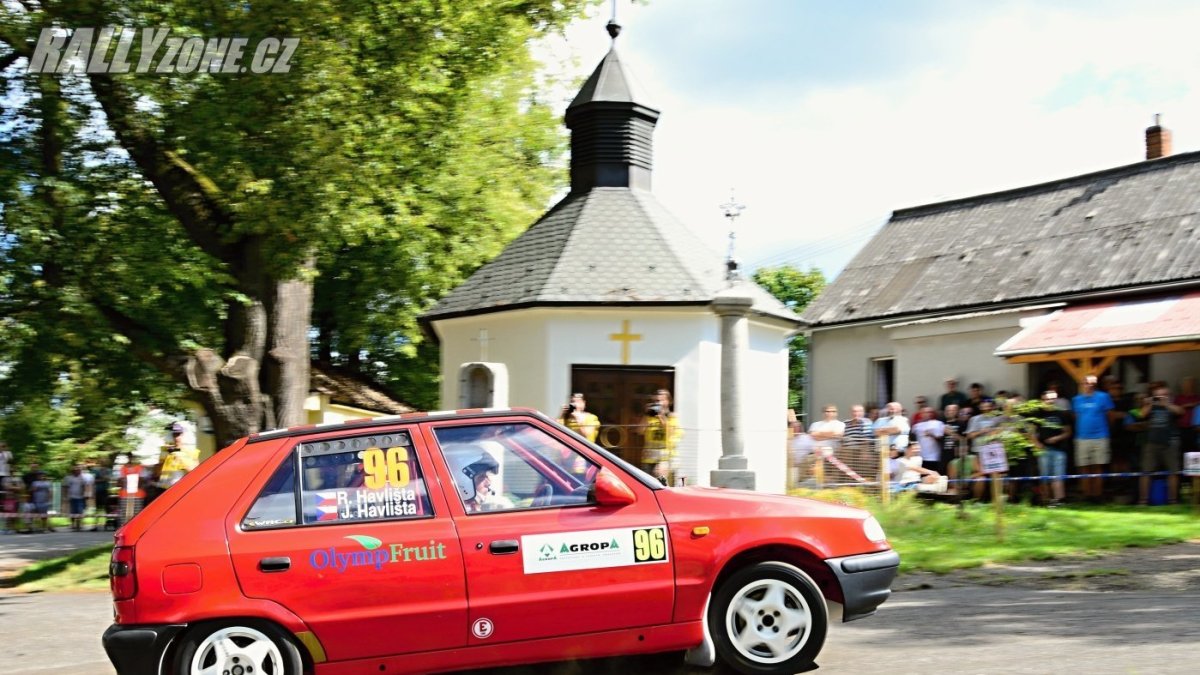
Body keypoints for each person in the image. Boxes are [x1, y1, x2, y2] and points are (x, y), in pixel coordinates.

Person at [1138, 385, 1183, 505]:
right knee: (1146, 471)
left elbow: (1181, 411)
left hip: (1170, 442)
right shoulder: (1151, 406)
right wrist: (1150, 403)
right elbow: (1141, 414)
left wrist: (1166, 404)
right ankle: (1143, 501)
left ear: (1169, 396)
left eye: (1164, 395)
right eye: (1158, 395)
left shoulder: (1172, 406)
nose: (1161, 397)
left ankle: (1173, 501)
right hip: (1152, 442)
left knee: (1173, 472)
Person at [1073, 375, 1114, 501]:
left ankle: (1097, 495)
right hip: (1082, 437)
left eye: (1091, 383)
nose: (1089, 385)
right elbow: (1076, 417)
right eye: (1086, 383)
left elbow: (1110, 416)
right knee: (1084, 467)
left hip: (1100, 437)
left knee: (1098, 467)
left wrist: (1105, 430)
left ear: (1095, 384)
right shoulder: (1076, 399)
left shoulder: (1103, 396)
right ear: (1082, 384)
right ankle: (1087, 495)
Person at [1034, 391, 1072, 507]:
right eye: (1047, 399)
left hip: (1059, 450)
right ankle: (1046, 501)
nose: (1050, 401)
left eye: (1052, 399)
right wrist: (1037, 444)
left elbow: (1068, 432)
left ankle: (1059, 501)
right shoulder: (1038, 415)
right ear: (1042, 400)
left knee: (1058, 476)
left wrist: (1057, 438)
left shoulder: (1062, 414)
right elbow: (1030, 432)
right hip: (1043, 450)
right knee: (1044, 477)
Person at [641, 389, 682, 485]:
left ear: (668, 401)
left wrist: (661, 417)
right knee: (646, 484)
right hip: (649, 457)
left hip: (665, 458)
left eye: (661, 400)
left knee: (660, 480)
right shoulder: (650, 417)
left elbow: (670, 432)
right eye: (656, 401)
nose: (658, 403)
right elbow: (640, 430)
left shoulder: (672, 417)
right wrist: (646, 415)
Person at [912, 406, 945, 475]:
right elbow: (913, 440)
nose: (927, 414)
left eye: (929, 412)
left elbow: (941, 439)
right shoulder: (916, 426)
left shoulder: (938, 423)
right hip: (920, 457)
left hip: (934, 457)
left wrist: (931, 434)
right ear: (921, 414)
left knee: (933, 476)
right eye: (924, 412)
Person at [64, 465, 87, 531]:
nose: (77, 472)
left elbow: (84, 486)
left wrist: (84, 494)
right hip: (72, 497)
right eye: (76, 471)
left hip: (80, 497)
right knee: (73, 511)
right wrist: (66, 496)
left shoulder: (82, 478)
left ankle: (78, 525)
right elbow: (66, 487)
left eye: (78, 470)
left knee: (80, 511)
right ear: (73, 471)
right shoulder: (69, 478)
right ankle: (73, 524)